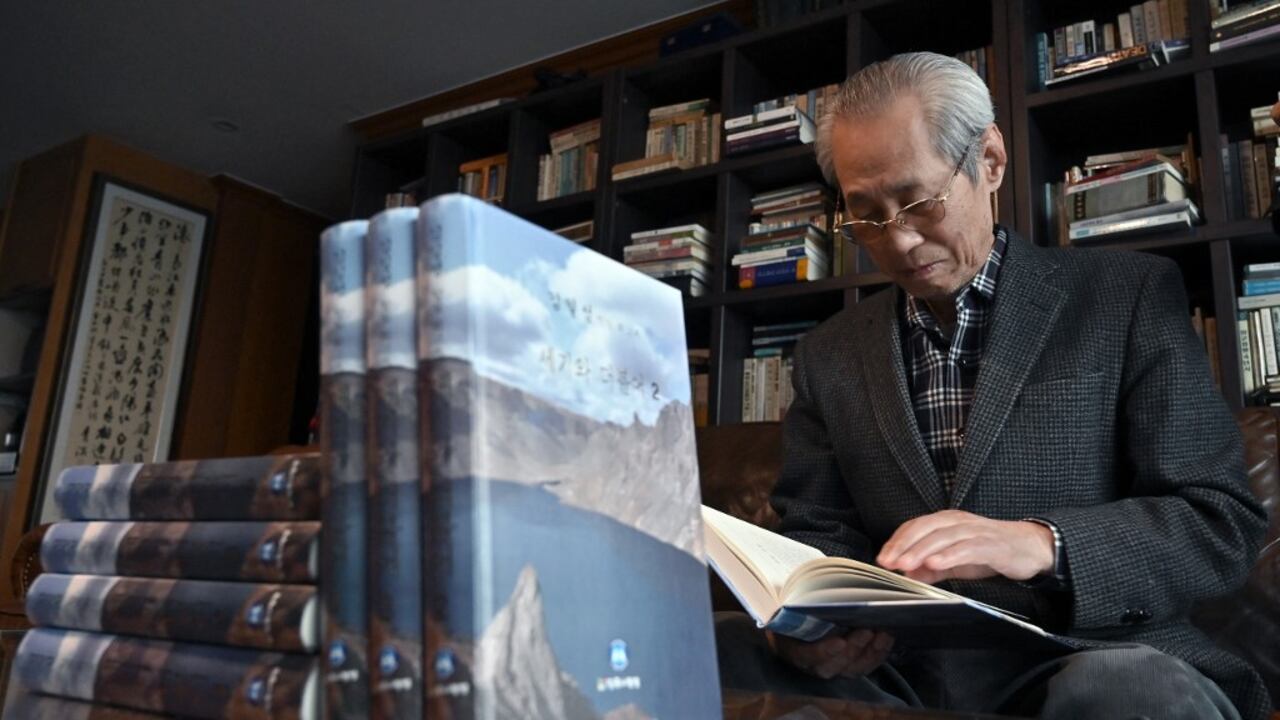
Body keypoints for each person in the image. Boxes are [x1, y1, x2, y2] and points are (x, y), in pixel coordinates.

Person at [715, 51, 1270, 720]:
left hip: (1091, 652)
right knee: (711, 647)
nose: (899, 241)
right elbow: (818, 531)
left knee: (1120, 694)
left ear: (991, 161)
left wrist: (1040, 543)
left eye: (918, 201)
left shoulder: (1126, 298)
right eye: (866, 216)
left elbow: (1218, 521)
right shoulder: (827, 356)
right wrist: (803, 628)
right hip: (898, 671)